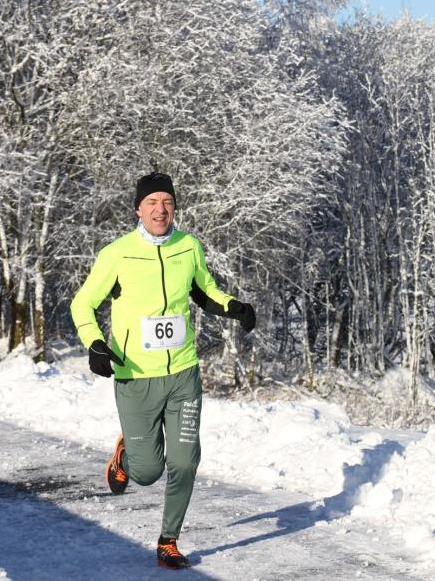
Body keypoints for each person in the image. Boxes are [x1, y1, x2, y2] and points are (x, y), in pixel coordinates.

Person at [70, 172, 256, 570]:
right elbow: (82, 304)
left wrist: (234, 307)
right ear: (138, 209)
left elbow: (204, 290)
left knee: (186, 461)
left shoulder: (188, 246)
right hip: (135, 375)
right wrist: (95, 344)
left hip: (183, 374)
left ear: (174, 207)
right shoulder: (117, 254)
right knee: (149, 472)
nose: (161, 209)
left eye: (167, 202)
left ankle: (168, 541)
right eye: (152, 202)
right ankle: (125, 457)